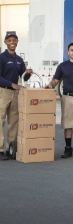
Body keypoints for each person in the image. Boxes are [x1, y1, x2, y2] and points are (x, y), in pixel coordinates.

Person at [0, 32, 32, 160]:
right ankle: (0, 149)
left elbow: (23, 77)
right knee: (0, 120)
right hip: (3, 91)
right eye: (9, 40)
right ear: (5, 42)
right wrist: (11, 84)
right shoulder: (2, 58)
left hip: (16, 93)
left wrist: (28, 73)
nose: (12, 42)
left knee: (13, 121)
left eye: (14, 40)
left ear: (17, 42)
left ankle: (10, 148)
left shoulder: (19, 60)